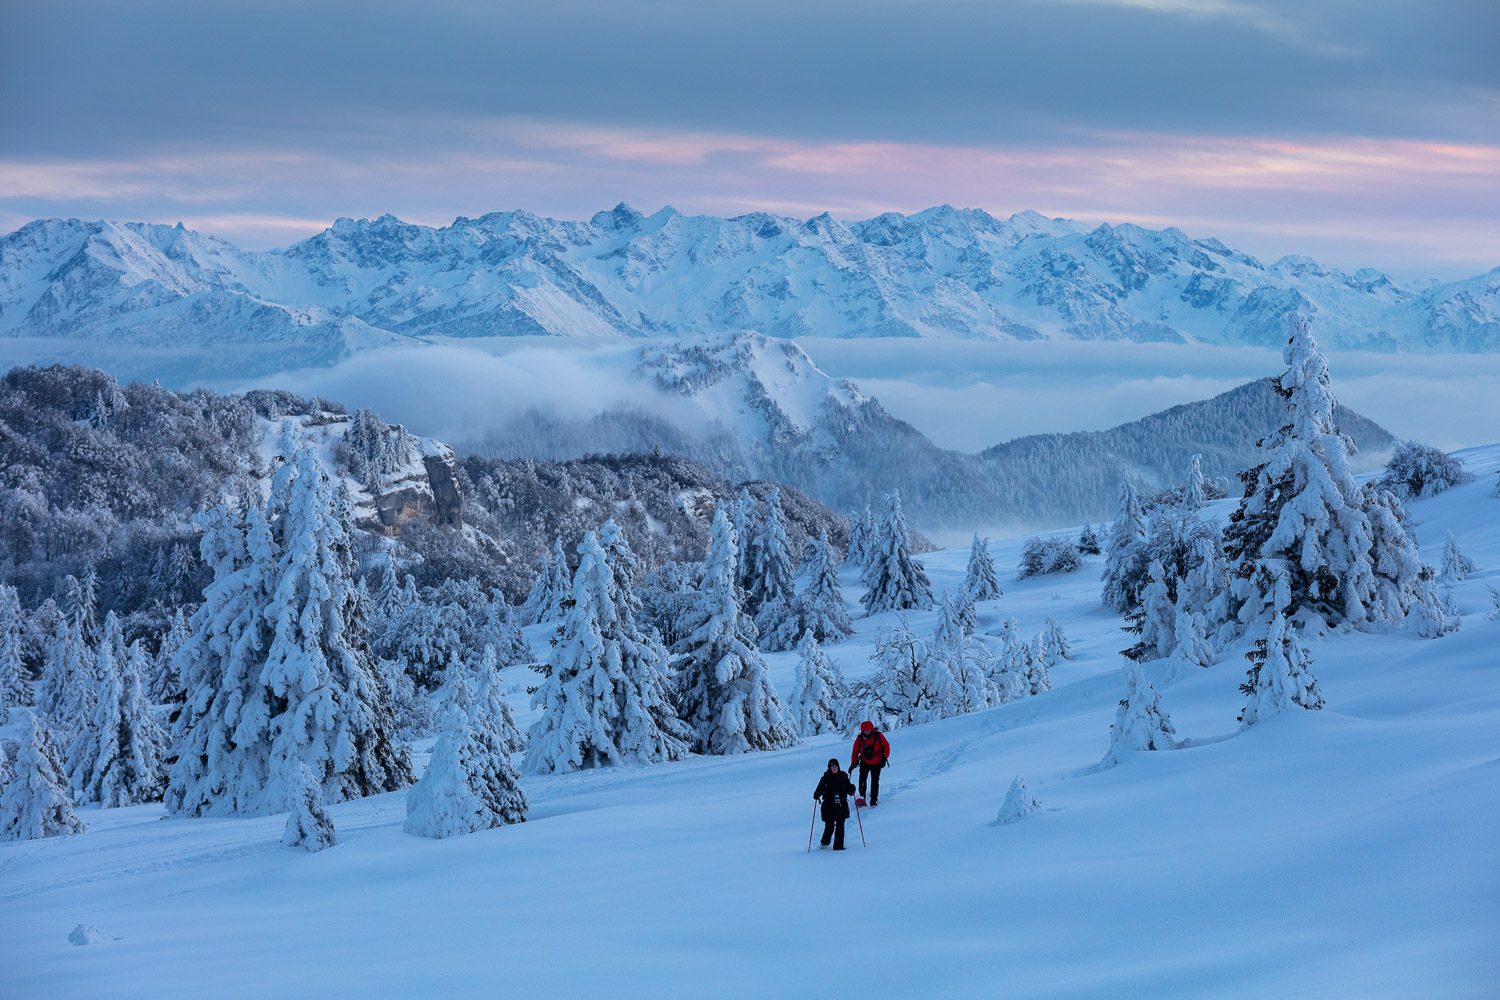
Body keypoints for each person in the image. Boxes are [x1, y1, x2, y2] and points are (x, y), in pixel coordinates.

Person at [812, 758, 856, 850]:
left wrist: (852, 790)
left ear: (838, 766)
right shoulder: (825, 778)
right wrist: (816, 794)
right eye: (832, 766)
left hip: (841, 805)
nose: (834, 768)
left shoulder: (843, 776)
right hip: (828, 806)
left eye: (835, 766)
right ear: (829, 768)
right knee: (829, 826)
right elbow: (819, 790)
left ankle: (838, 847)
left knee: (840, 826)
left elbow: (849, 790)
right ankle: (824, 844)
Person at [849, 720, 890, 807]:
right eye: (865, 730)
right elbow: (855, 751)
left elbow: (886, 746)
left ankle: (873, 800)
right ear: (862, 730)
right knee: (862, 780)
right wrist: (853, 762)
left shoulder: (878, 736)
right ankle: (862, 797)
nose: (866, 731)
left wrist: (884, 758)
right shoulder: (859, 738)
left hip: (877, 762)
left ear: (872, 729)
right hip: (865, 761)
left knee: (875, 781)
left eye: (868, 730)